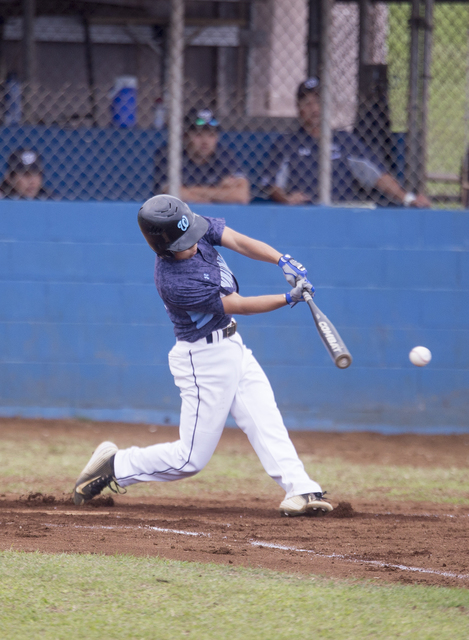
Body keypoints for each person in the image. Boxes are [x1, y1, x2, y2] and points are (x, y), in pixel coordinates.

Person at [73, 195, 333, 518]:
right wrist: (286, 298)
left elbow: (236, 240)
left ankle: (300, 488)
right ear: (164, 248)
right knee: (190, 459)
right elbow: (238, 304)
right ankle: (116, 465)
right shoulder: (175, 282)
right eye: (184, 242)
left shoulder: (189, 226)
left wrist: (281, 260)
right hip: (203, 360)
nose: (194, 243)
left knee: (265, 419)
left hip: (233, 345)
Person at [262, 77, 431, 208]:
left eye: (319, 102)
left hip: (341, 214)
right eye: (308, 103)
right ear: (299, 108)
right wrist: (287, 200)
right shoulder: (286, 144)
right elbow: (272, 186)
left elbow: (377, 175)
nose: (314, 109)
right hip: (303, 214)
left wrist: (409, 199)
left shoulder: (345, 141)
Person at [154, 109, 250, 204]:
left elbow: (241, 195)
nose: (205, 141)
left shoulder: (224, 155)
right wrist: (217, 194)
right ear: (185, 136)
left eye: (211, 135)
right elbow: (170, 193)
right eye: (199, 135)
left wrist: (191, 191)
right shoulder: (171, 154)